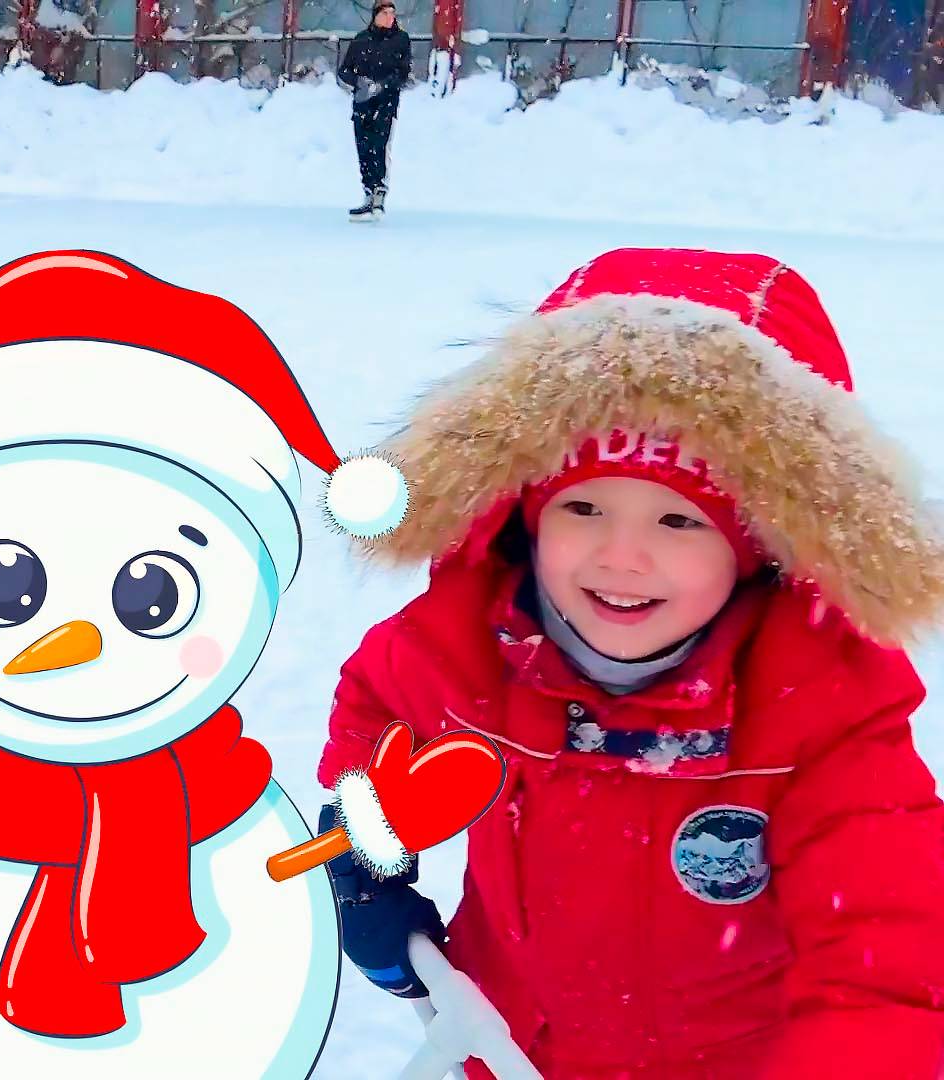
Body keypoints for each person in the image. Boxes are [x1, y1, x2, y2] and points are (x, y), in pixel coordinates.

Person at [318, 247, 944, 1078]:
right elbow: (376, 719)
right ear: (526, 517)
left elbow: (889, 971)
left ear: (758, 548)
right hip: (510, 1051)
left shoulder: (819, 713)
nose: (621, 556)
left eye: (679, 522)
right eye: (583, 507)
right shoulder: (465, 650)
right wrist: (367, 857)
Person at [337, 0, 411, 221]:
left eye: (392, 13)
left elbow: (403, 72)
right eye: (385, 13)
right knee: (364, 147)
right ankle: (368, 191)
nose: (390, 18)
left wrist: (383, 85)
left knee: (380, 145)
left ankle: (379, 191)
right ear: (376, 15)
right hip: (362, 103)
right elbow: (344, 70)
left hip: (385, 102)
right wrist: (359, 82)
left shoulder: (400, 40)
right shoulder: (361, 40)